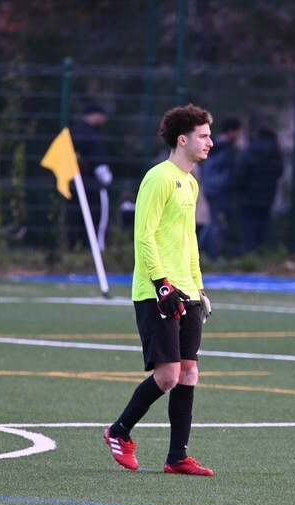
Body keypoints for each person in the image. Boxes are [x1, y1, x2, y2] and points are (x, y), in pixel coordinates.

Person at [103, 103, 215, 477]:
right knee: (167, 376)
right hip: (158, 291)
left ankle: (177, 457)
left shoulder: (191, 182)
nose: (210, 142)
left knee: (188, 373)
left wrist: (198, 286)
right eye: (203, 136)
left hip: (187, 291)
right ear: (182, 139)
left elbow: (188, 240)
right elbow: (144, 234)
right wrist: (160, 283)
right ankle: (119, 431)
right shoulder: (159, 177)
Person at [68, 99, 113, 251]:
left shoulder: (73, 133)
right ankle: (94, 249)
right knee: (95, 217)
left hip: (72, 185)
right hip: (93, 186)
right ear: (95, 116)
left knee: (74, 218)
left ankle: (72, 248)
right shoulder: (93, 137)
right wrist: (106, 178)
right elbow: (100, 165)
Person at [233, 126, 283, 253]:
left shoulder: (250, 150)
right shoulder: (275, 152)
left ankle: (250, 251)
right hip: (268, 195)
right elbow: (279, 172)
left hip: (249, 195)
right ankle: (260, 250)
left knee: (249, 224)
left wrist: (240, 187)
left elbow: (241, 173)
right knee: (263, 223)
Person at [200, 117, 242, 259]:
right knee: (216, 222)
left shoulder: (214, 145)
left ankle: (204, 252)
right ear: (231, 131)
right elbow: (226, 170)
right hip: (219, 189)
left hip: (211, 186)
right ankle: (208, 253)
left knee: (214, 221)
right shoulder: (225, 149)